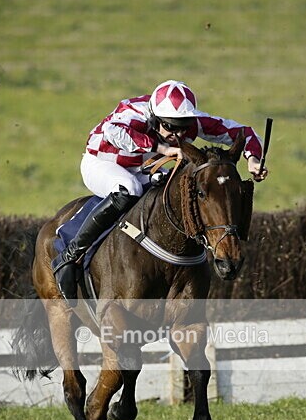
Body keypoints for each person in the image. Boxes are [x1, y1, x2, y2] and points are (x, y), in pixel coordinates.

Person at [53, 79, 268, 299]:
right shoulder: (134, 111)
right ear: (155, 118)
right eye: (169, 127)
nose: (177, 134)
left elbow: (244, 132)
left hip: (143, 167)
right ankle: (70, 257)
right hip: (103, 162)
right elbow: (112, 130)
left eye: (183, 128)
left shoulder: (192, 121)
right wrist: (161, 148)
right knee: (130, 188)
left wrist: (253, 158)